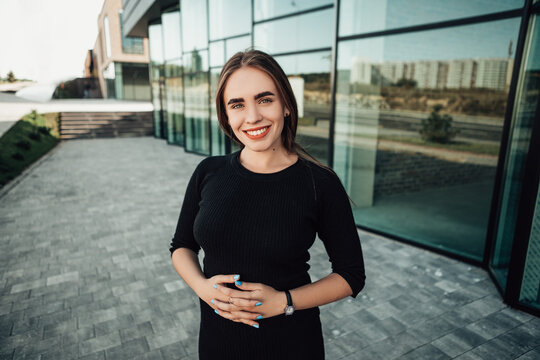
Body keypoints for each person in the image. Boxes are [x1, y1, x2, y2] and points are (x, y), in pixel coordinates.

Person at [170, 49, 365, 360]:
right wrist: (201, 287)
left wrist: (284, 301)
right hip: (217, 344)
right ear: (226, 114)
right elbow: (181, 245)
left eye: (265, 99)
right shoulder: (208, 172)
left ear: (286, 104)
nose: (252, 117)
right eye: (237, 104)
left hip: (290, 345)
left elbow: (351, 275)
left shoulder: (320, 183)